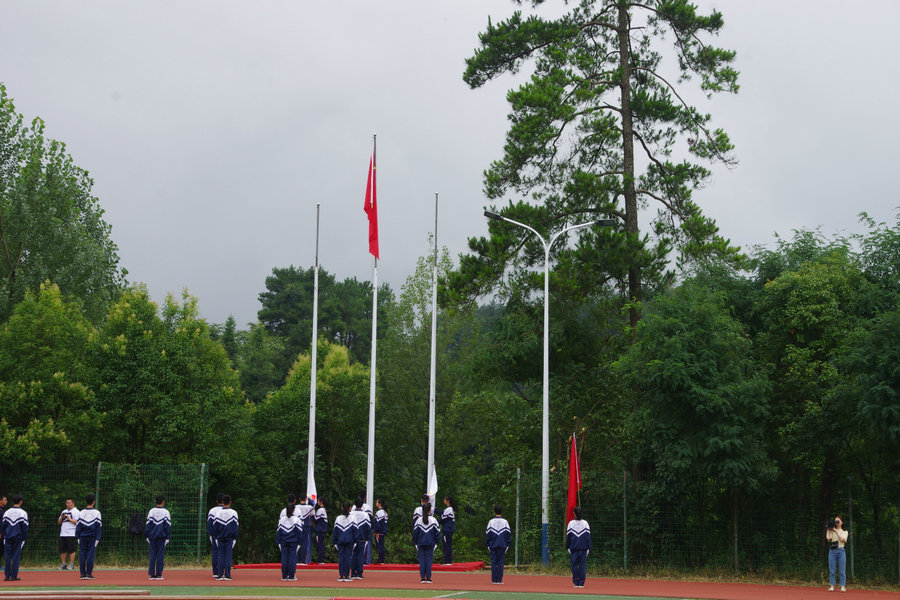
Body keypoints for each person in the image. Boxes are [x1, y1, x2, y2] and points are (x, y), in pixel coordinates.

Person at [75, 493, 101, 580]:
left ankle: (82, 574)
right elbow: (98, 527)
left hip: (82, 537)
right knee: (90, 555)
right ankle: (89, 574)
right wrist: (98, 539)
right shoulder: (97, 513)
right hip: (92, 537)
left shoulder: (81, 512)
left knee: (82, 555)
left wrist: (77, 537)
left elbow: (78, 526)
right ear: (94, 502)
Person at [144, 494, 171, 580]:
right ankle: (159, 574)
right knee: (160, 556)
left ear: (155, 501)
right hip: (162, 537)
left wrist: (147, 535)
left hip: (152, 537)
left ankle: (152, 575)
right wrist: (167, 537)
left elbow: (148, 524)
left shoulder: (151, 511)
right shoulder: (166, 512)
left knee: (152, 555)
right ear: (163, 502)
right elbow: (168, 526)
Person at [212, 495, 239, 581]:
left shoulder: (218, 513)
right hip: (229, 538)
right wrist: (235, 538)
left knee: (220, 555)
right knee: (228, 556)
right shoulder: (234, 513)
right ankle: (227, 575)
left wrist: (215, 537)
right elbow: (236, 527)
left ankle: (220, 575)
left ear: (222, 502)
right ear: (230, 502)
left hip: (220, 537)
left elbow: (214, 527)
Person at [412, 502, 440, 584]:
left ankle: (422, 578)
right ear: (429, 510)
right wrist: (436, 542)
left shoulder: (418, 520)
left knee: (422, 561)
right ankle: (428, 578)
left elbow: (415, 533)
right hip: (430, 544)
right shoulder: (433, 520)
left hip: (420, 543)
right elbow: (437, 533)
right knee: (428, 561)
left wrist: (415, 543)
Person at [1, 494, 27, 581]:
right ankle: (14, 576)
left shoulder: (7, 512)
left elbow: (3, 526)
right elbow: (25, 527)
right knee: (16, 556)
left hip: (8, 537)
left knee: (7, 556)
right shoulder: (23, 513)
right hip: (18, 538)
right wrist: (24, 538)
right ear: (20, 502)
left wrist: (4, 536)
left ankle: (7, 576)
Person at [565, 506, 592, 588]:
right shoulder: (585, 523)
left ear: (574, 513)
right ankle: (581, 583)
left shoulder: (571, 523)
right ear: (581, 513)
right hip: (583, 548)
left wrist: (568, 546)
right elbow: (588, 537)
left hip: (573, 548)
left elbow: (568, 537)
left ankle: (576, 582)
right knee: (582, 565)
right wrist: (589, 547)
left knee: (574, 565)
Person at [485, 504, 511, 584]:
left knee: (493, 563)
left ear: (494, 511)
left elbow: (488, 534)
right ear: (501, 511)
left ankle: (494, 580)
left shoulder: (491, 522)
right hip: (502, 545)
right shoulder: (505, 522)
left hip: (493, 545)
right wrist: (508, 544)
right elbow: (508, 534)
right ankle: (499, 580)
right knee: (500, 563)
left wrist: (487, 544)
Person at [276, 497, 300, 581]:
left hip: (284, 541)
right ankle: (291, 576)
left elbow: (278, 532)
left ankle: (284, 575)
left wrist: (278, 542)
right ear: (293, 510)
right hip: (293, 542)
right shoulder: (296, 519)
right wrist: (299, 543)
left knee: (284, 558)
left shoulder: (282, 519)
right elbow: (299, 532)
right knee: (292, 559)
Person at [332, 501, 356, 582]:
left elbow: (335, 532)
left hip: (340, 541)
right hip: (349, 541)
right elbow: (355, 531)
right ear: (350, 508)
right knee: (348, 558)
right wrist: (355, 541)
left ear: (342, 508)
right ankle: (347, 575)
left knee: (341, 558)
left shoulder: (338, 518)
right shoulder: (352, 518)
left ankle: (341, 575)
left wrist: (334, 542)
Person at [826, 515, 849, 592]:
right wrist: (828, 529)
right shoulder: (831, 531)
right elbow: (828, 539)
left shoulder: (845, 532)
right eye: (835, 521)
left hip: (841, 551)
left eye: (838, 521)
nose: (836, 522)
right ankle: (832, 585)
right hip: (832, 551)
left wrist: (835, 531)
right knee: (832, 569)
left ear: (842, 522)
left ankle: (842, 586)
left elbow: (842, 540)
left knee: (842, 570)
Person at [350, 496, 370, 579]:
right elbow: (368, 527)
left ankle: (353, 573)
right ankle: (359, 573)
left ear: (354, 504)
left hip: (352, 538)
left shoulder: (351, 514)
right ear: (362, 505)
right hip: (362, 538)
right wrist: (368, 537)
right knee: (360, 555)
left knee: (353, 555)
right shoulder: (365, 515)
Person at [57, 497, 79, 571]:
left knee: (71, 549)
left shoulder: (76, 512)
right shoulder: (64, 511)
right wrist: (61, 517)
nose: (67, 504)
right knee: (62, 549)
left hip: (71, 533)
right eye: (66, 503)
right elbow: (59, 522)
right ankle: (63, 564)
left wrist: (69, 518)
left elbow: (77, 522)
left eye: (69, 503)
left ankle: (71, 564)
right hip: (63, 533)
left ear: (73, 503)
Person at [206, 493, 225, 578]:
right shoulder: (228, 510)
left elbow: (209, 523)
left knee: (215, 552)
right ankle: (223, 570)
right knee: (224, 553)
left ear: (216, 501)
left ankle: (215, 572)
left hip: (214, 534)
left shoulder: (212, 510)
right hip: (224, 534)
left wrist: (210, 534)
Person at [296, 494, 314, 564]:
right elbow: (312, 515)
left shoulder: (296, 507)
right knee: (305, 543)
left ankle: (297, 560)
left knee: (298, 542)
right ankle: (303, 560)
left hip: (299, 525)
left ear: (299, 498)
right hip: (306, 525)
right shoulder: (310, 507)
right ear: (306, 499)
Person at [440, 495, 456, 565]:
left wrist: (434, 521)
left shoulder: (449, 509)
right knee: (447, 544)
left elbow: (444, 519)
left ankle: (448, 561)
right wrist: (434, 509)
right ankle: (448, 561)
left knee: (446, 545)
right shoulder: (448, 509)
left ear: (447, 501)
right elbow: (442, 514)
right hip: (448, 529)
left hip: (447, 530)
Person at [373, 498, 388, 564]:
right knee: (381, 545)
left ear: (380, 504)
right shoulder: (385, 512)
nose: (376, 504)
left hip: (379, 532)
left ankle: (381, 560)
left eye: (377, 502)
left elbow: (378, 523)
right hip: (383, 531)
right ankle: (381, 559)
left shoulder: (379, 512)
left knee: (380, 546)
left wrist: (376, 532)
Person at [314, 498, 328, 564]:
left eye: (318, 501)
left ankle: (320, 560)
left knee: (319, 544)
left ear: (321, 502)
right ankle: (321, 559)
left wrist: (312, 515)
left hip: (320, 529)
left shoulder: (321, 510)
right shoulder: (323, 509)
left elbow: (316, 518)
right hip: (322, 529)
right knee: (321, 544)